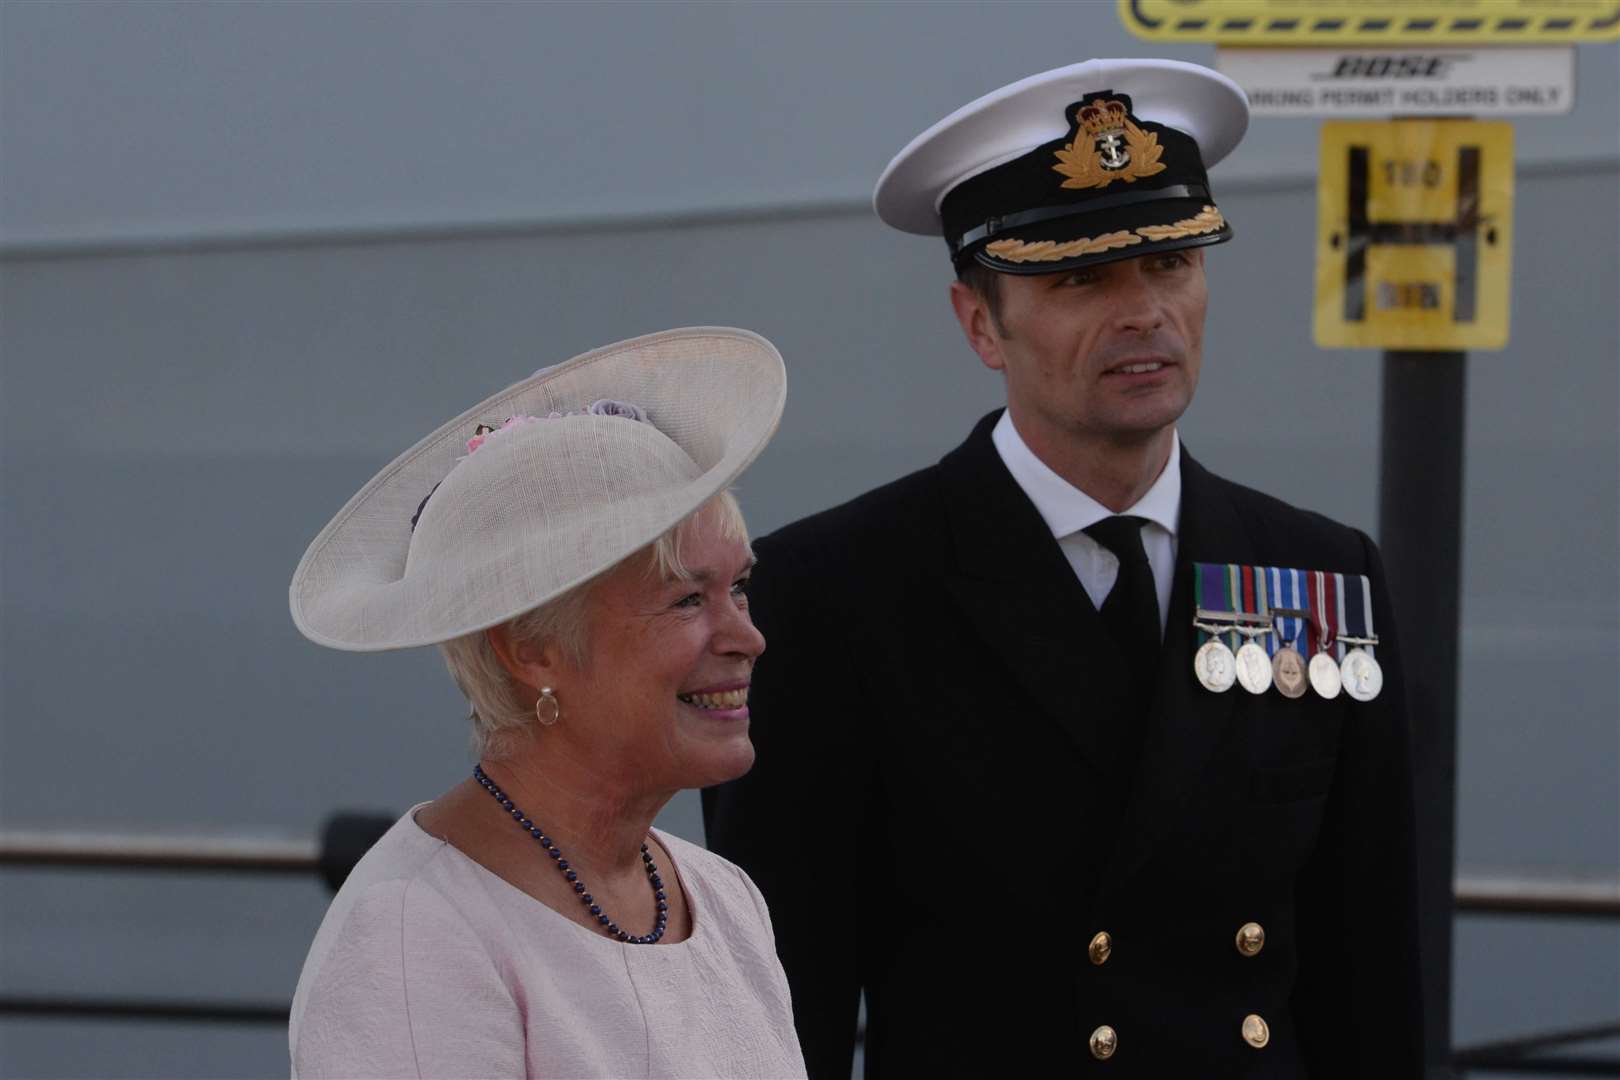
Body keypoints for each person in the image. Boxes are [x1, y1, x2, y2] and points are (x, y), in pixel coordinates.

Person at [703, 60, 1423, 1078]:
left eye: (1172, 264)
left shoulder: (1316, 575)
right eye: (1080, 277)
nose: (1143, 313)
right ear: (979, 324)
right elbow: (787, 1001)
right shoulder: (838, 593)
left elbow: (1370, 982)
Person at [287, 327, 807, 1078]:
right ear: (531, 650)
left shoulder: (722, 898)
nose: (747, 637)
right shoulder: (416, 934)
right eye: (688, 599)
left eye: (740, 588)